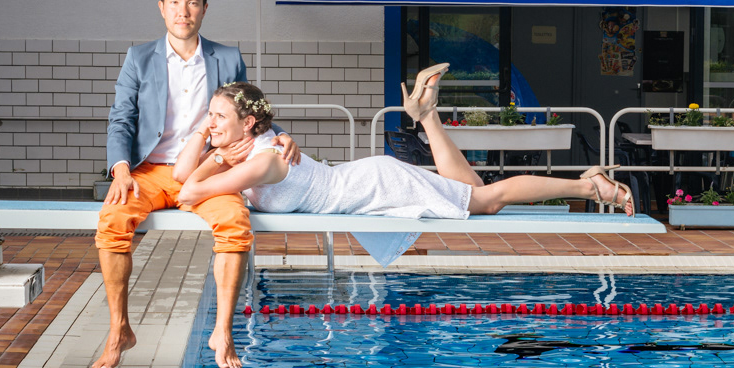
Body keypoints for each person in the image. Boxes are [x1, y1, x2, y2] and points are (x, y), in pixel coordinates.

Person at [95, 0, 302, 368]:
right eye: (174, 2)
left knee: (235, 223)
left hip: (209, 169)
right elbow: (121, 119)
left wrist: (281, 135)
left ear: (204, 8)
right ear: (161, 7)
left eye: (192, 3)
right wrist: (120, 170)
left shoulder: (227, 58)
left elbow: (249, 111)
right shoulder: (139, 58)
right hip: (150, 171)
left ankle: (222, 331)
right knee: (113, 219)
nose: (183, 11)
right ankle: (119, 329)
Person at [174, 68, 631, 250]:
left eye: (217, 116)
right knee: (476, 192)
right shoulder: (259, 144)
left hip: (373, 184)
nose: (209, 122)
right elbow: (182, 175)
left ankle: (588, 185)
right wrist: (210, 140)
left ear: (248, 124)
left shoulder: (264, 160)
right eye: (208, 115)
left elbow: (189, 191)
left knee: (486, 200)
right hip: (362, 181)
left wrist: (213, 154)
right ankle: (427, 115)